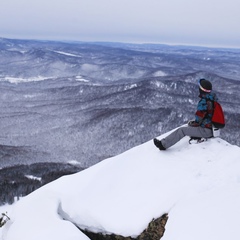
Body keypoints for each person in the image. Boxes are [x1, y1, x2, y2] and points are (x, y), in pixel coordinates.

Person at [154, 78, 217, 150]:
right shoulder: (212, 99)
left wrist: (193, 123)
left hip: (206, 131)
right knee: (189, 125)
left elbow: (198, 120)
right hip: (211, 128)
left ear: (202, 90)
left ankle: (163, 145)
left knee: (182, 130)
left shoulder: (204, 102)